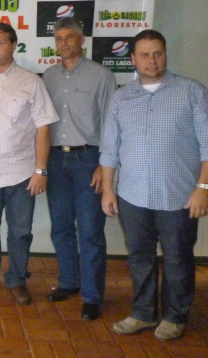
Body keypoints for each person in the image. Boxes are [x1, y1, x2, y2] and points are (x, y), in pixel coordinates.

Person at [101, 29, 208, 340]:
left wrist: (203, 189)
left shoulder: (192, 92)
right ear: (133, 59)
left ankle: (175, 317)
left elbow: (207, 145)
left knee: (177, 259)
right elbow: (110, 148)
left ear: (165, 54)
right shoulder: (122, 97)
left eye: (157, 53)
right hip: (132, 196)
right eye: (145, 54)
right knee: (139, 257)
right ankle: (143, 313)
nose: (152, 60)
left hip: (179, 197)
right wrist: (108, 188)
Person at [0, 23, 58, 305]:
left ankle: (17, 279)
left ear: (13, 45)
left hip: (20, 173)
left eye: (1, 43)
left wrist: (41, 170)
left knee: (20, 232)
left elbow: (44, 128)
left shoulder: (31, 82)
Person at [42, 17, 116, 320]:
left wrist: (104, 164)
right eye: (59, 38)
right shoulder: (48, 76)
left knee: (90, 232)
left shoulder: (101, 75)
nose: (64, 43)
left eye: (69, 37)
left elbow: (113, 124)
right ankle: (69, 282)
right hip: (56, 160)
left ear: (82, 40)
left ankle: (92, 295)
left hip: (89, 160)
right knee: (60, 228)